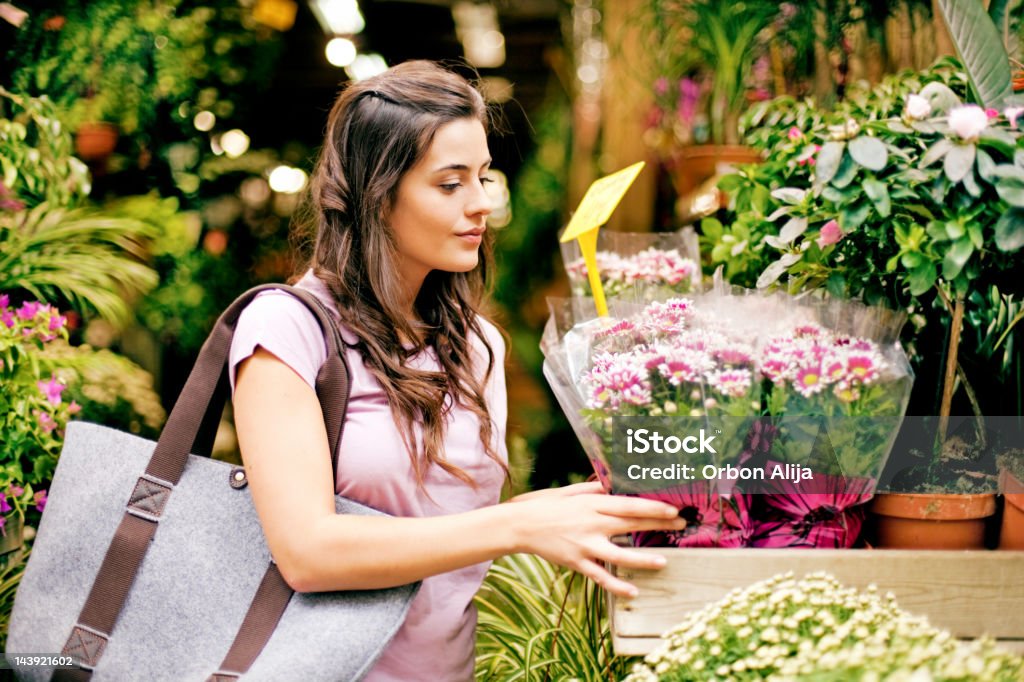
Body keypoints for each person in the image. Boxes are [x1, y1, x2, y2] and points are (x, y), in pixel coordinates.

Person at [229, 60, 685, 682]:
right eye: (449, 184)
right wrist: (518, 524)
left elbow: (461, 550)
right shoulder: (286, 330)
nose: (480, 205)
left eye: (483, 177)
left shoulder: (476, 346)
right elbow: (307, 552)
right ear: (376, 194)